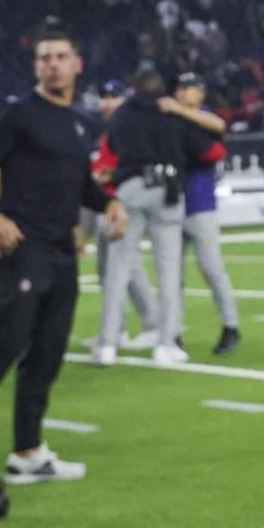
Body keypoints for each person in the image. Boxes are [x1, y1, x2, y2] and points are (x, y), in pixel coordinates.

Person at [0, 32, 128, 520]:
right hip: (23, 251)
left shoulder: (81, 124)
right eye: (45, 58)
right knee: (7, 346)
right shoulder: (19, 113)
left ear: (78, 63)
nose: (54, 65)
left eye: (62, 57)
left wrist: (108, 202)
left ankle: (28, 453)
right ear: (36, 67)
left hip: (63, 254)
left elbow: (79, 184)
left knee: (45, 356)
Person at [101, 70, 215, 365]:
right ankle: (166, 344)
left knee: (118, 267)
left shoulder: (123, 113)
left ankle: (108, 345)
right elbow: (207, 146)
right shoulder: (172, 111)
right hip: (167, 189)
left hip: (129, 189)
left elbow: (112, 145)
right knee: (168, 270)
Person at [170, 75, 240, 356]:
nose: (184, 93)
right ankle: (172, 331)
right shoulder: (174, 120)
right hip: (172, 202)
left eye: (190, 89)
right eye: (181, 88)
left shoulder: (202, 119)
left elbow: (218, 133)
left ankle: (231, 324)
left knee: (211, 267)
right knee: (172, 274)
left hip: (200, 201)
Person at [87, 80, 159, 352]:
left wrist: (109, 175)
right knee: (109, 268)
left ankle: (151, 324)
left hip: (121, 202)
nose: (107, 102)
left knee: (126, 266)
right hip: (105, 201)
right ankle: (117, 328)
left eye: (113, 97)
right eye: (104, 97)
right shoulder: (107, 129)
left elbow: (130, 164)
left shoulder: (128, 127)